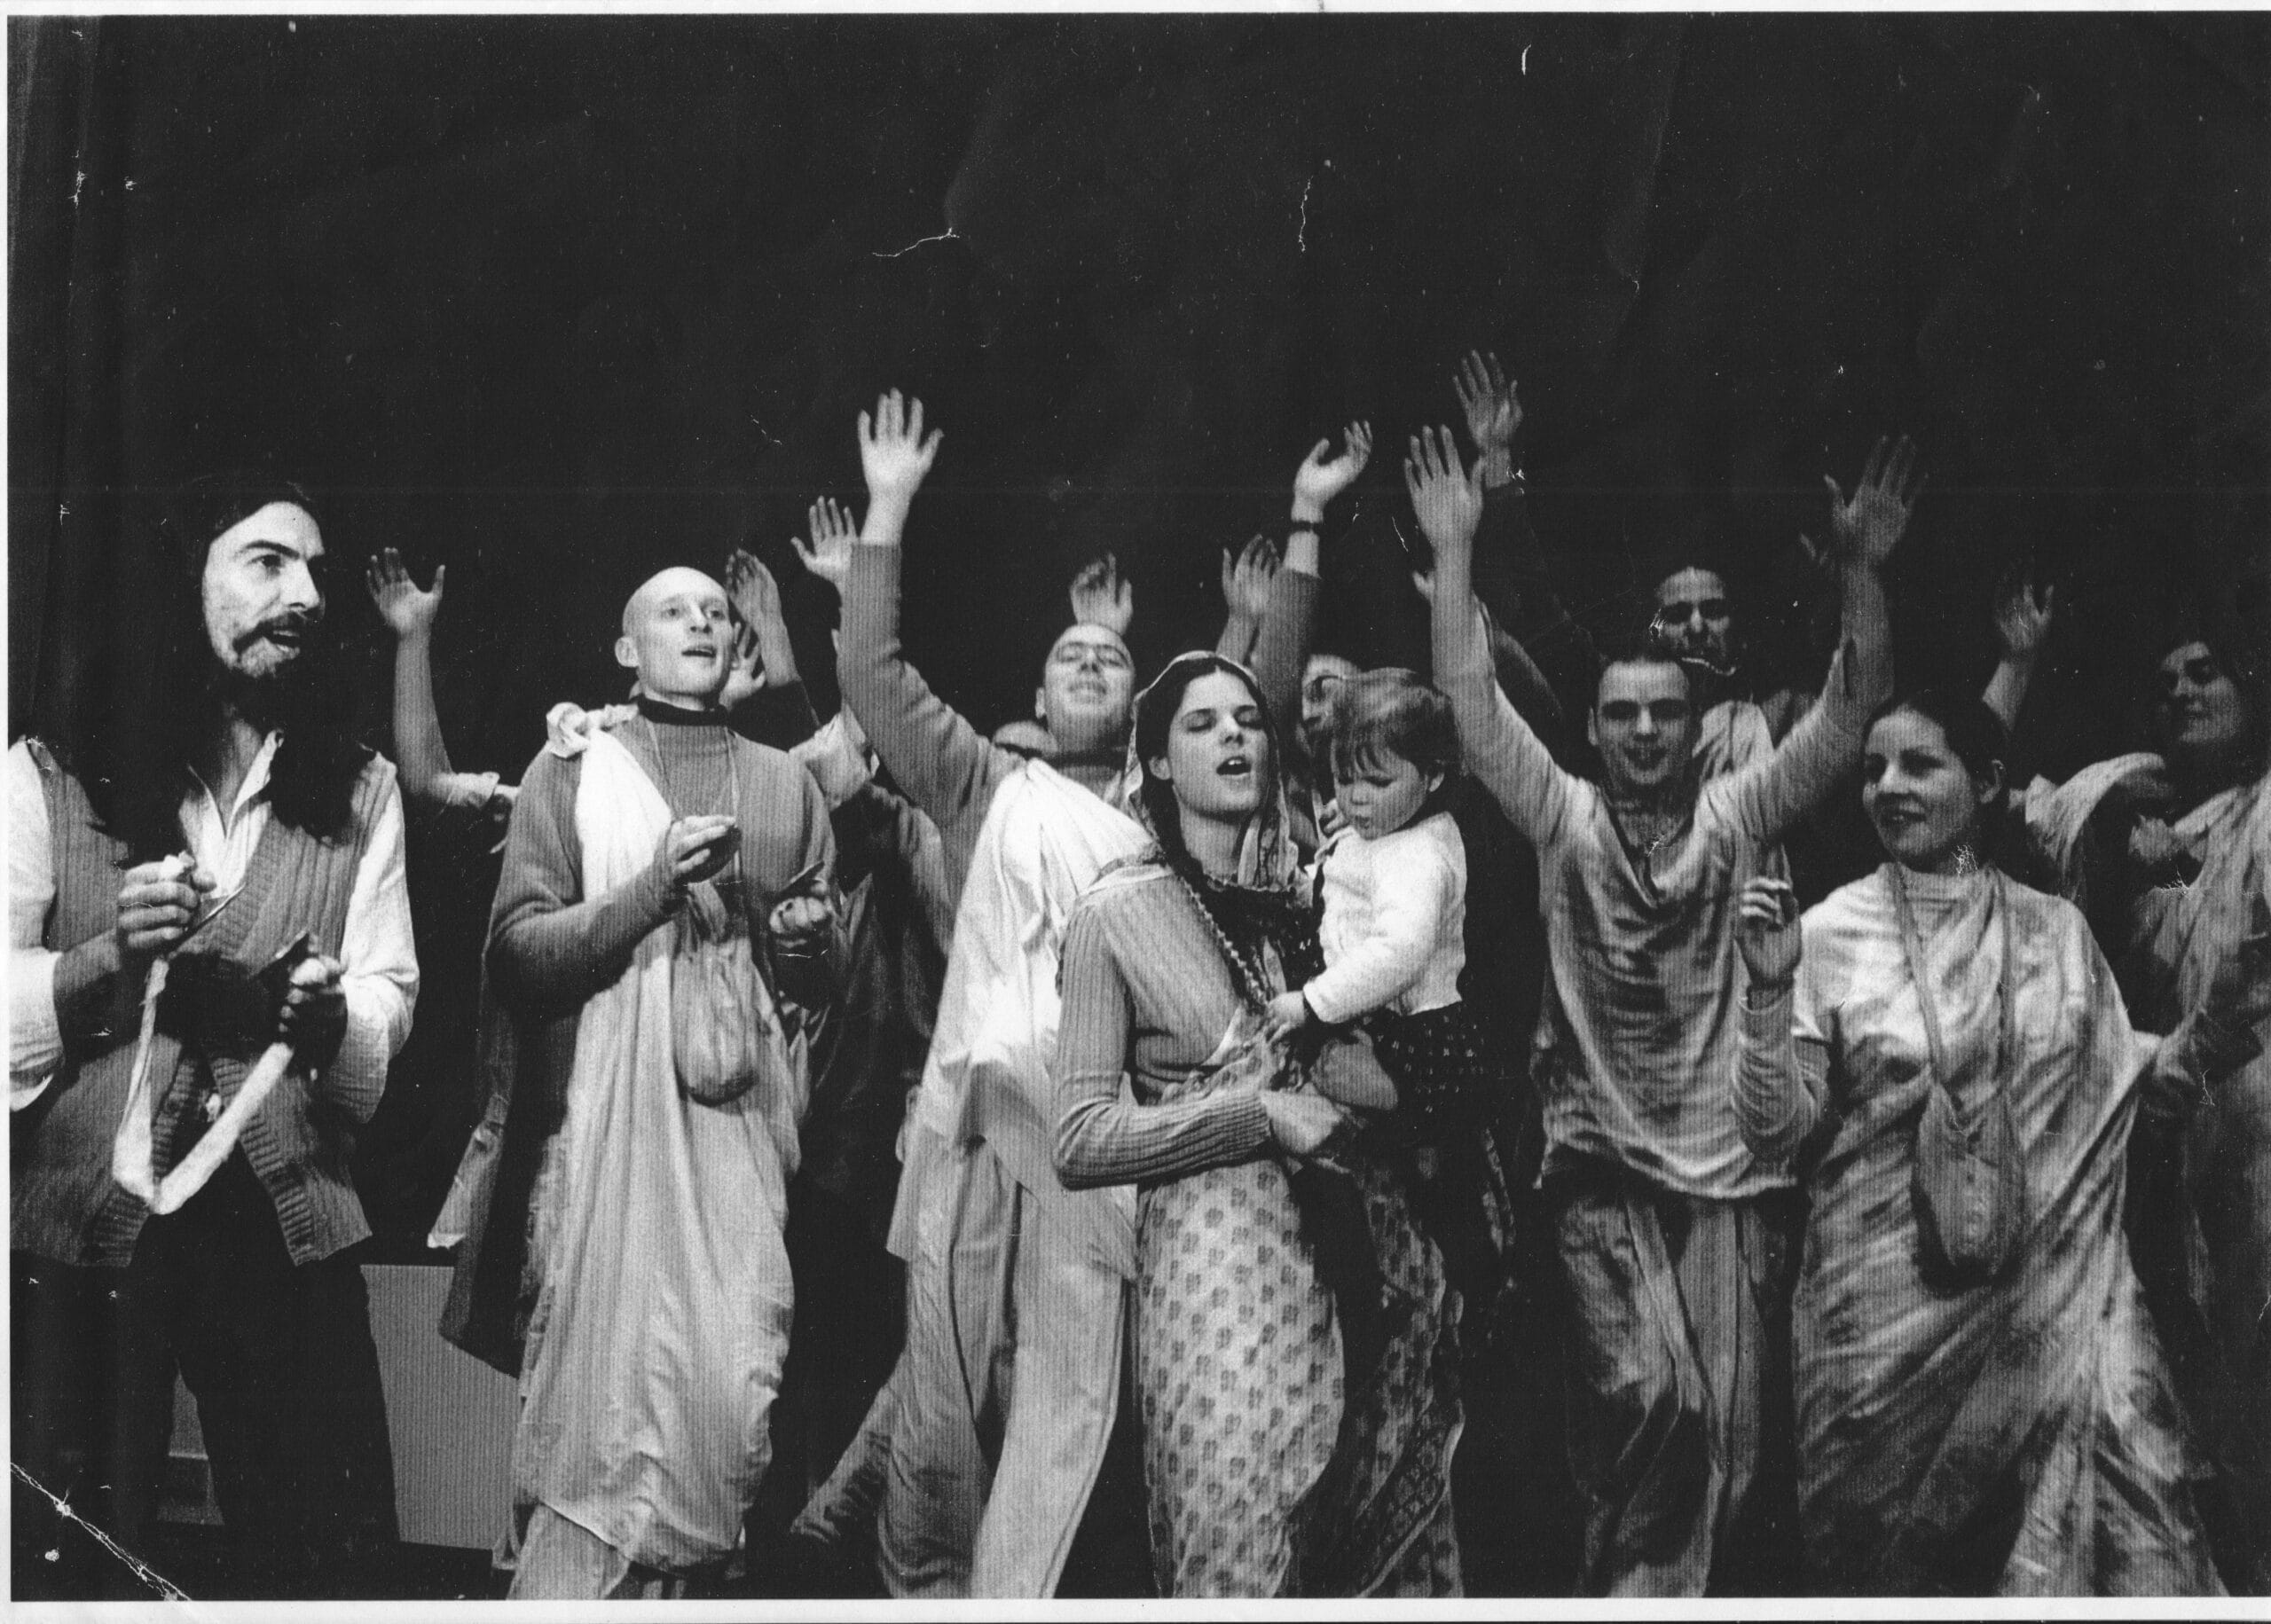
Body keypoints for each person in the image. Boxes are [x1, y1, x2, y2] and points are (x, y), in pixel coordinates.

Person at [1415, 420, 1910, 1596]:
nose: (1643, 728)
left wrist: (1860, 569)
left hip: (1731, 1172)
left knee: (1729, 1446)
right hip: (1598, 1166)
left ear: (1697, 728)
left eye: (1665, 713)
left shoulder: (1739, 813)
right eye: (1622, 712)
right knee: (1647, 1403)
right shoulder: (1565, 815)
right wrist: (1456, 548)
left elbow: (1848, 712)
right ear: (1593, 729)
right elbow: (1472, 701)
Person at [1730, 689, 2264, 1595]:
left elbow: (2133, 1099)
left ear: (1985, 782)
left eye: (1918, 764)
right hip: (1877, 1344)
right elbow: (1776, 1133)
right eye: (1872, 770)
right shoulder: (1824, 931)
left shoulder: (2056, 932)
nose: (1888, 787)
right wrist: (1768, 992)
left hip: (2053, 1312)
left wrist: (2218, 1020)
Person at [11, 474, 418, 1599]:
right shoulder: (47, 772)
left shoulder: (364, 789)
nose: (306, 596)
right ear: (181, 583)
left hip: (281, 1222)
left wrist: (335, 1022)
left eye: (316, 573)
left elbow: (388, 993)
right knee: (57, 1563)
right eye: (268, 562)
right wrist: (104, 960)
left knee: (327, 1562)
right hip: (81, 1225)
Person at [434, 564, 845, 1598]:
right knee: (598, 1441)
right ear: (628, 650)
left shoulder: (785, 784)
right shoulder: (573, 768)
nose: (702, 620)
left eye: (717, 610)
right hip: (599, 1156)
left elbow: (815, 986)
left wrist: (808, 943)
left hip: (739, 1153)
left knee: (729, 1405)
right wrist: (654, 887)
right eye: (673, 610)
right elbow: (519, 957)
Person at [1053, 651, 1462, 1597]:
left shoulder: (1321, 900)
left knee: (1373, 1560)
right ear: (1158, 762)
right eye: (1201, 724)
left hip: (1353, 1247)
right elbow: (1078, 1138)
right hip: (1216, 1264)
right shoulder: (1115, 911)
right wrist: (1257, 1113)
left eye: (1247, 719)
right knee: (1237, 1545)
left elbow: (1398, 1065)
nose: (1233, 735)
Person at [2011, 610, 2271, 1589]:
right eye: (2163, 684)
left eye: (2204, 672)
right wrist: (2136, 843)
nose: (2183, 692)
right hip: (2183, 1146)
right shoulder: (2138, 842)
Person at [1260, 668, 1513, 1298]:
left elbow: (1399, 951)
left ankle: (1477, 1278)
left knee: (1433, 1177)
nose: (1357, 799)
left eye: (1378, 782)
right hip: (1384, 1026)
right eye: (1344, 780)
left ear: (1433, 777)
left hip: (1417, 1037)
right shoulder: (1384, 831)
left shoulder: (1417, 855)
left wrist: (1312, 1002)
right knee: (1395, 1178)